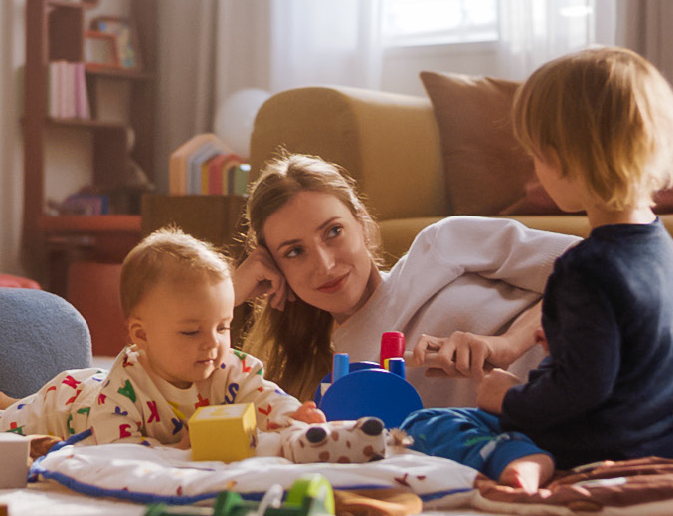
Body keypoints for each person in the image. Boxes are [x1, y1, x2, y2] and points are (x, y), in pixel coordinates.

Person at [0, 229, 389, 464]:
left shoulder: (228, 367)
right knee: (0, 427)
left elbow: (265, 398)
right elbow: (118, 454)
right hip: (67, 406)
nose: (212, 345)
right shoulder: (125, 390)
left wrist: (295, 416)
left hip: (90, 390)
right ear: (141, 336)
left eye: (223, 327)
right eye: (191, 332)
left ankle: (7, 398)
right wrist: (180, 449)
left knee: (13, 407)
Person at [470, 46, 673, 469]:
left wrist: (507, 397)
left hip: (589, 453)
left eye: (536, 154)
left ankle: (529, 468)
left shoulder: (586, 267)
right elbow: (635, 360)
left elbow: (581, 389)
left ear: (564, 158)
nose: (535, 169)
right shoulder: (660, 245)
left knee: (440, 426)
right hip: (653, 449)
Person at [236, 156, 581, 409]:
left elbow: (597, 266)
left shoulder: (442, 245)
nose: (325, 265)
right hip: (548, 439)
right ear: (276, 269)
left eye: (334, 231)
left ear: (361, 222)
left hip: (597, 369)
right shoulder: (338, 382)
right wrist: (231, 294)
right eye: (294, 252)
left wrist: (508, 343)